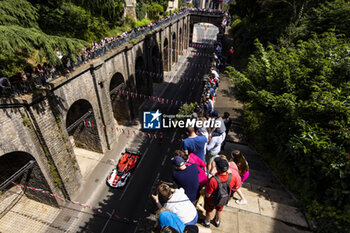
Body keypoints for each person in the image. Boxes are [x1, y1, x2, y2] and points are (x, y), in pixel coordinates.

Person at [204, 157, 235, 228]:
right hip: (223, 199)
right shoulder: (232, 177)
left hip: (211, 200)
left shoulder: (213, 180)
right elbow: (235, 187)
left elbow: (208, 195)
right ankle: (217, 221)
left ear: (217, 169)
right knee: (219, 210)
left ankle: (207, 222)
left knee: (209, 211)